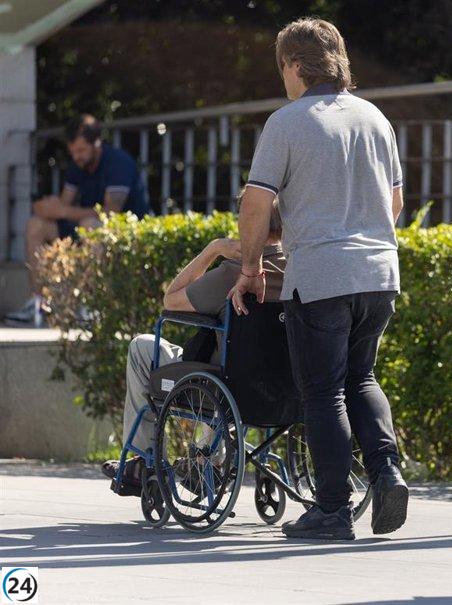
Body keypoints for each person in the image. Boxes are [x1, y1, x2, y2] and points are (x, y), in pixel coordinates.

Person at [229, 17, 407, 541]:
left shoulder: (287, 122)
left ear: (293, 64)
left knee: (323, 392)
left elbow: (256, 203)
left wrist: (250, 267)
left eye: (280, 66)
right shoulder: (375, 119)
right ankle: (387, 471)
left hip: (321, 276)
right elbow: (394, 202)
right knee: (363, 377)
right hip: (379, 273)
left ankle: (332, 509)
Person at [101, 200, 285, 494]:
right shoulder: (301, 270)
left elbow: (170, 300)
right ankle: (207, 458)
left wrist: (211, 249)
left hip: (225, 381)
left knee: (141, 347)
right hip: (281, 386)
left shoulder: (234, 273)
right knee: (228, 365)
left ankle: (143, 461)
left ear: (246, 224)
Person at [5, 114, 149, 326]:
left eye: (81, 150)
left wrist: (62, 211)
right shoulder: (78, 165)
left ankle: (91, 306)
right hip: (84, 227)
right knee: (35, 225)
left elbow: (111, 213)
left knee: (90, 226)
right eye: (72, 151)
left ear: (96, 143)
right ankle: (39, 303)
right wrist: (47, 209)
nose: (76, 156)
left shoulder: (118, 163)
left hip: (124, 233)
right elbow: (64, 204)